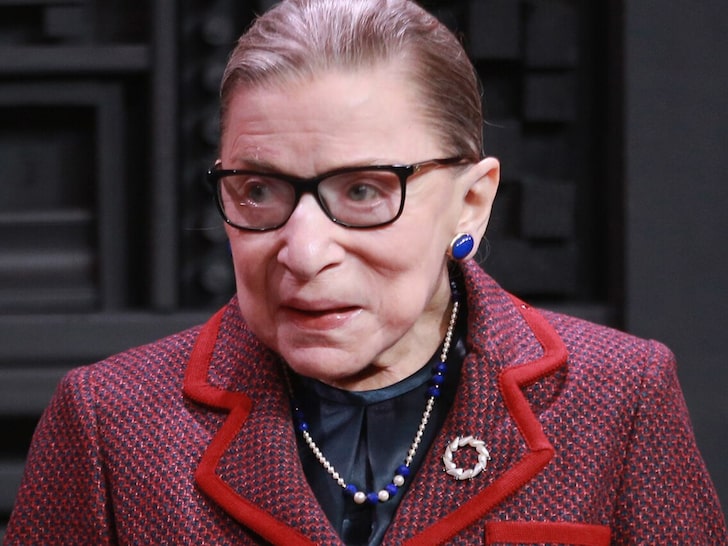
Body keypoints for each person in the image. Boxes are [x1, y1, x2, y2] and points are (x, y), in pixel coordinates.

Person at [5, 0, 726, 544]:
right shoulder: (111, 422)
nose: (303, 251)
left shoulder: (617, 397)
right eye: (259, 190)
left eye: (362, 191)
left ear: (471, 203)